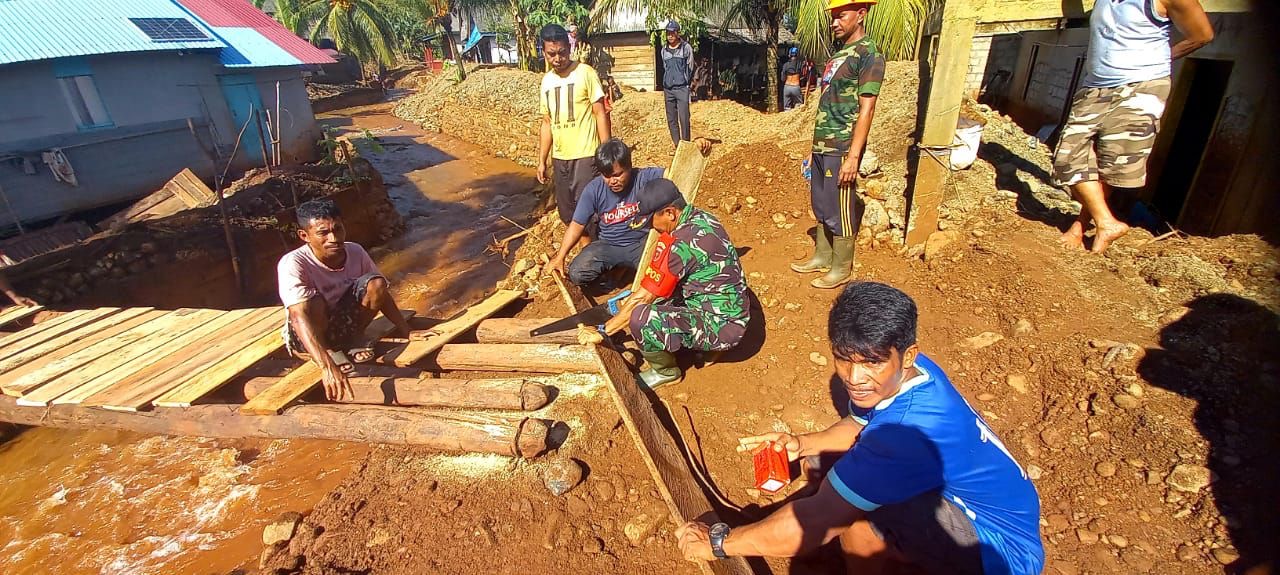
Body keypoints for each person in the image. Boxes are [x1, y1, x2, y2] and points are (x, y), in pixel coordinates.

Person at [674, 282, 1045, 575]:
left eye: (871, 363)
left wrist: (720, 541)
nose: (855, 378)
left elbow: (816, 521)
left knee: (854, 518)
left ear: (907, 354)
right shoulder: (914, 371)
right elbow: (859, 423)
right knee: (823, 466)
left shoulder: (902, 433)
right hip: (987, 510)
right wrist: (800, 444)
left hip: (999, 552)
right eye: (843, 360)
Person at [1054, 0, 1213, 254]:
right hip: (1095, 86)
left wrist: (1161, 59)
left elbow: (1203, 35)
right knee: (1066, 158)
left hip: (1141, 87)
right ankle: (1106, 222)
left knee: (1111, 164)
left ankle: (1081, 226)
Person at [600, 178, 749, 388]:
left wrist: (603, 332)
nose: (653, 228)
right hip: (731, 311)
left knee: (641, 317)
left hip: (723, 327)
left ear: (670, 212)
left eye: (652, 221)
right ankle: (708, 346)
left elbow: (643, 298)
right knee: (653, 298)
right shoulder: (701, 217)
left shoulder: (681, 244)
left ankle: (666, 371)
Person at [278, 199, 412, 401]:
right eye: (323, 233)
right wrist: (327, 367)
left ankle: (351, 339)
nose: (333, 238)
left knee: (375, 283)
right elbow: (298, 317)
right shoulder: (294, 263)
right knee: (312, 302)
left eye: (338, 229)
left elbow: (380, 293)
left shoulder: (355, 251)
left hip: (342, 323)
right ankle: (329, 351)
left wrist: (407, 330)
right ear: (304, 236)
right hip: (309, 333)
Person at [791, 0, 884, 290]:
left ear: (861, 14)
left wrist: (853, 156)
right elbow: (827, 105)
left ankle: (841, 266)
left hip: (842, 146)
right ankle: (822, 255)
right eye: (833, 17)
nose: (834, 23)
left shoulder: (868, 55)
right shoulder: (838, 55)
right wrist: (813, 147)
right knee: (820, 203)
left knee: (839, 207)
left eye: (840, 16)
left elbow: (866, 109)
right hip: (822, 145)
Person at [547, 138, 665, 288]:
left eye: (617, 175)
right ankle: (618, 270)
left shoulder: (643, 177)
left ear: (629, 166)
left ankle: (627, 270)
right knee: (577, 273)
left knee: (663, 268)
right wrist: (560, 256)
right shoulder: (593, 189)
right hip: (609, 245)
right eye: (607, 176)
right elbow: (577, 224)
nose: (612, 181)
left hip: (640, 243)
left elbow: (676, 169)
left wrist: (696, 147)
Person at [536, 24, 612, 232]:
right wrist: (542, 161)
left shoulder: (585, 73)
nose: (557, 58)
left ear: (569, 49)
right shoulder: (547, 82)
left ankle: (596, 256)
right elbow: (546, 123)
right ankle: (586, 251)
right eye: (551, 54)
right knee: (567, 214)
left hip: (586, 156)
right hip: (560, 158)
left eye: (562, 52)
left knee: (589, 212)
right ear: (544, 52)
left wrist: (606, 155)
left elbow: (600, 113)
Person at [660, 20, 694, 147]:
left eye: (672, 33)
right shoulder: (664, 50)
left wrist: (684, 80)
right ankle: (677, 144)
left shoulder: (686, 48)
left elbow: (690, 67)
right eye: (668, 33)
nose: (670, 36)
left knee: (684, 117)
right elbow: (665, 67)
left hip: (682, 88)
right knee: (671, 119)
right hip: (668, 89)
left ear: (677, 33)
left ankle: (686, 144)